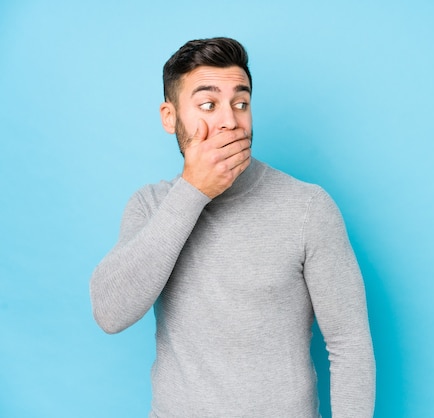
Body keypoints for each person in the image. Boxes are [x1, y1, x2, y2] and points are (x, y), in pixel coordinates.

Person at [90, 37, 375, 417]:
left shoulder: (308, 207)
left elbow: (349, 343)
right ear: (170, 117)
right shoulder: (150, 206)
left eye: (241, 103)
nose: (230, 120)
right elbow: (110, 313)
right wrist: (193, 191)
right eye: (208, 104)